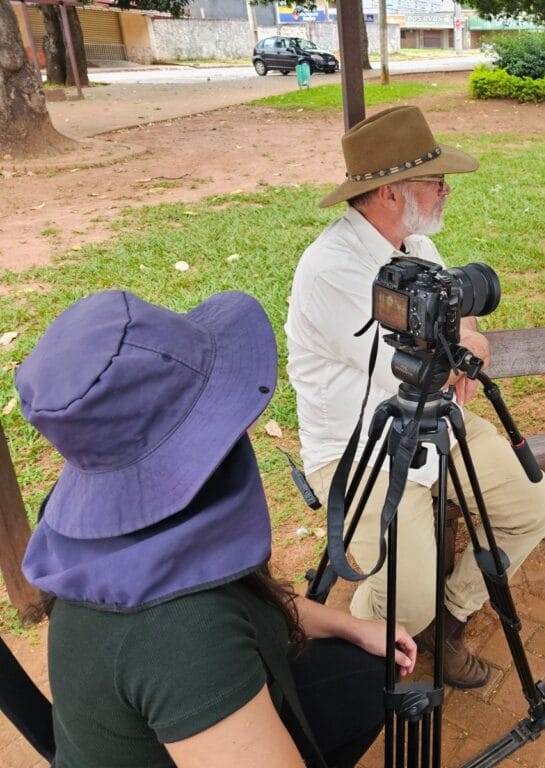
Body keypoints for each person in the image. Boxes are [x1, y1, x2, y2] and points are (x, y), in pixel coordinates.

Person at [17, 290, 417, 767]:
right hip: (186, 678)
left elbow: (243, 596)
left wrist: (350, 627)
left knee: (362, 680)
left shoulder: (105, 532)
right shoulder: (182, 635)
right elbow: (195, 634)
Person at [286, 105, 545, 690]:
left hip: (438, 426)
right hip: (361, 449)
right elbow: (412, 369)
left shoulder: (416, 249)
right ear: (387, 191)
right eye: (435, 180)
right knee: (404, 602)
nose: (445, 191)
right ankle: (350, 675)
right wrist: (459, 348)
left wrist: (462, 344)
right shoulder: (331, 269)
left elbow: (454, 342)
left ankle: (450, 619)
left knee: (535, 508)